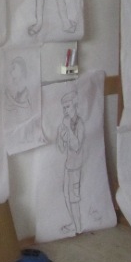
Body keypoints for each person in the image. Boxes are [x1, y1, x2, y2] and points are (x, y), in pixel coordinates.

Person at [56, 90, 85, 234]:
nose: (65, 110)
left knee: (74, 198)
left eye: (67, 106)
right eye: (63, 108)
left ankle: (79, 228)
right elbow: (61, 148)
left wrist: (68, 129)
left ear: (75, 105)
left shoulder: (79, 123)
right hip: (68, 165)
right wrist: (61, 137)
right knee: (67, 195)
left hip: (76, 167)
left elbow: (77, 146)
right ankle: (74, 224)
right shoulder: (64, 124)